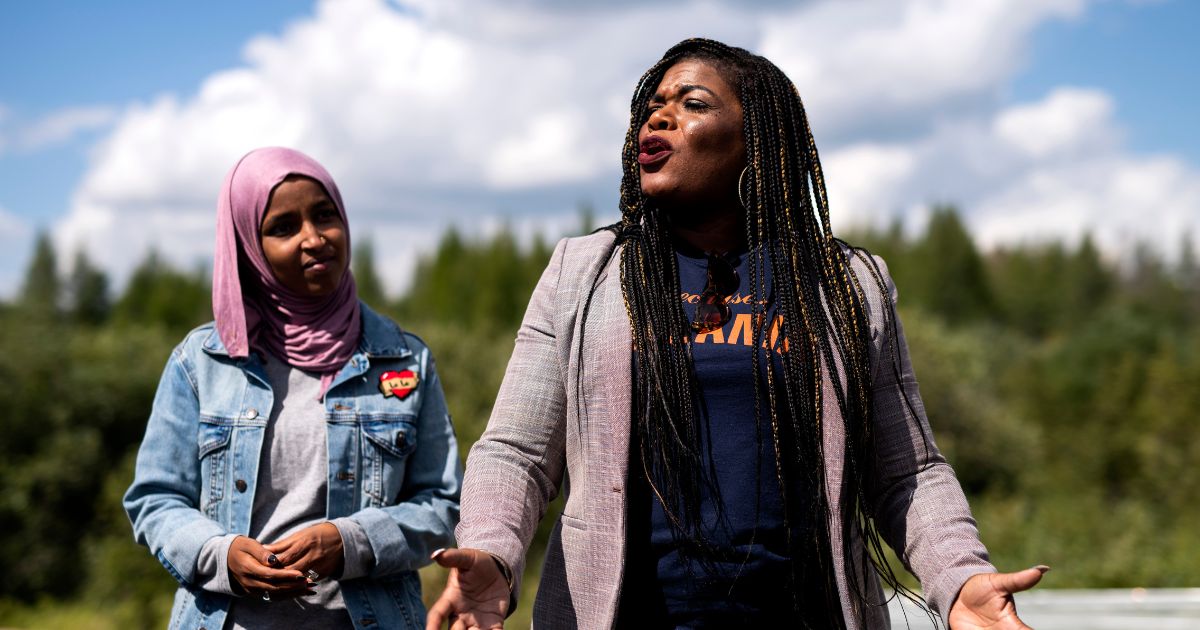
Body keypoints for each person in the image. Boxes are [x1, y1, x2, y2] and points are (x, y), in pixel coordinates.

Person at [426, 39, 1045, 630]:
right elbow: (518, 450)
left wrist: (961, 578)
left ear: (758, 143)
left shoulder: (845, 282)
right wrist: (490, 551)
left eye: (691, 104)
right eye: (651, 109)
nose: (659, 119)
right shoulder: (585, 272)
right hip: (620, 615)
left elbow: (906, 472)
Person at [124, 147, 462, 630]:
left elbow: (445, 505)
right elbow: (154, 500)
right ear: (248, 245)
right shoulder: (201, 363)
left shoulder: (405, 358)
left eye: (325, 215)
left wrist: (351, 541)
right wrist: (219, 556)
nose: (315, 238)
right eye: (283, 227)